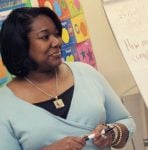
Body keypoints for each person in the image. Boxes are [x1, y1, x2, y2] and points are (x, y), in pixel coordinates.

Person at [0, 7, 135, 150]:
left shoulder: (86, 73)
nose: (56, 42)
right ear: (20, 44)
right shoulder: (5, 104)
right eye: (45, 37)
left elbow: (126, 121)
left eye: (57, 34)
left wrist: (112, 132)